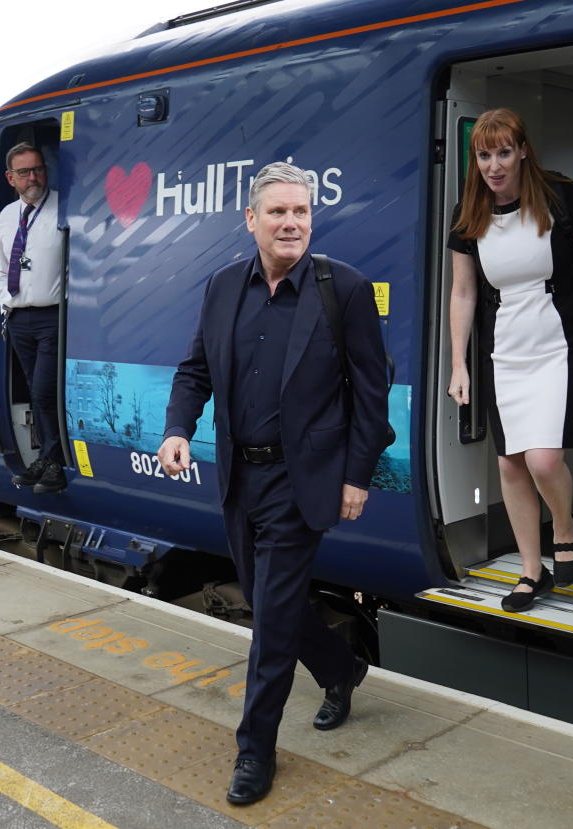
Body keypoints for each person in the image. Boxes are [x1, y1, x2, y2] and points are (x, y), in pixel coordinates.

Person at [158, 162, 389, 806]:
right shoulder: (223, 286)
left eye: (302, 213)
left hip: (300, 478)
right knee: (271, 607)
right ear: (251, 221)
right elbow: (195, 369)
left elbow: (372, 397)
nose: (292, 223)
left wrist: (356, 474)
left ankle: (255, 748)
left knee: (269, 625)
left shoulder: (343, 289)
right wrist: (179, 428)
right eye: (279, 212)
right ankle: (342, 669)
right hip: (240, 476)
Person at [446, 108, 573, 613]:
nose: (493, 165)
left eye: (503, 153)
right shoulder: (467, 212)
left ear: (522, 152)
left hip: (562, 340)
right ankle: (530, 573)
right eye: (484, 155)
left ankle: (563, 526)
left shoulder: (559, 196)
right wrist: (459, 365)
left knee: (543, 458)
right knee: (510, 463)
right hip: (504, 350)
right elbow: (463, 293)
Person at [0, 142, 67, 494]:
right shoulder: (7, 215)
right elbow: (1, 263)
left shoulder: (63, 208)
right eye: (24, 172)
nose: (33, 177)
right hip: (19, 319)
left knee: (43, 391)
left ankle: (52, 462)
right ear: (11, 178)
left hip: (53, 316)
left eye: (37, 169)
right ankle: (48, 462)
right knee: (38, 395)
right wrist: (5, 301)